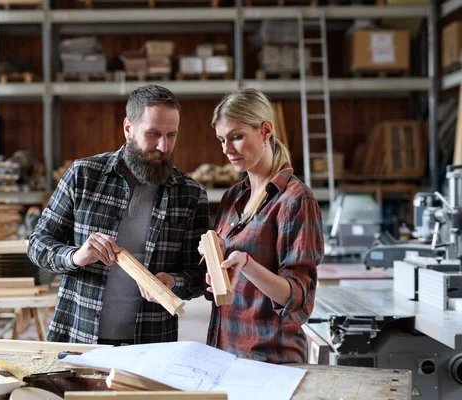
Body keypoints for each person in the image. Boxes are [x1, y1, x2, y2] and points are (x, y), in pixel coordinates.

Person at [29, 84, 210, 346]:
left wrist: (173, 281)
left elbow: (200, 273)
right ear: (128, 129)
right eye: (153, 134)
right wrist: (77, 256)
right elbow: (37, 245)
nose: (163, 146)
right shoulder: (84, 175)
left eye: (172, 135)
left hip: (152, 343)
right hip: (80, 337)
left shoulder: (191, 194)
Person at [200, 88, 324, 364]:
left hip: (270, 359)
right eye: (222, 140)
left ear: (266, 131)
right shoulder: (233, 197)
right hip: (225, 351)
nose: (226, 149)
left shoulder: (295, 200)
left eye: (237, 137)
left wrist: (247, 265)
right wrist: (215, 256)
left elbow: (298, 300)